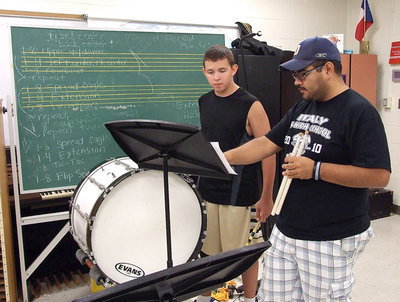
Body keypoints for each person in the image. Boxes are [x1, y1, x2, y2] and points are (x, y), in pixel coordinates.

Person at [224, 36, 391, 302]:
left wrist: (315, 169)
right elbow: (267, 143)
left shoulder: (359, 112)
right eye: (295, 75)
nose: (297, 81)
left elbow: (378, 175)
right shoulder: (302, 107)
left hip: (330, 237)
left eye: (302, 74)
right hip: (287, 229)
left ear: (328, 69)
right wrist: (222, 158)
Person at [196, 45, 276, 302]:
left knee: (244, 254)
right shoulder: (204, 101)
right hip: (209, 191)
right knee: (208, 254)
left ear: (234, 69)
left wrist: (266, 196)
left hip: (241, 194)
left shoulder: (251, 105)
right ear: (204, 72)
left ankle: (250, 298)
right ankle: (207, 297)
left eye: (222, 70)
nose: (216, 77)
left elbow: (269, 152)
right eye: (210, 72)